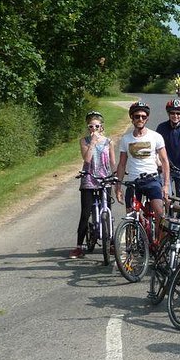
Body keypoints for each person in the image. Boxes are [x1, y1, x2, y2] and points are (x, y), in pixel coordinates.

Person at [115, 102, 171, 237]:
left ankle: (159, 245)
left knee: (160, 213)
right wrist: (118, 187)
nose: (140, 119)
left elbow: (164, 161)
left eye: (143, 116)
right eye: (137, 116)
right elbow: (122, 164)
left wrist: (166, 185)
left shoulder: (155, 136)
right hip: (133, 182)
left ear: (147, 118)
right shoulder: (126, 139)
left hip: (152, 180)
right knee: (131, 214)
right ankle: (132, 246)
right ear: (132, 118)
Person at [69, 111, 116, 259]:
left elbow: (112, 162)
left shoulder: (109, 142)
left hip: (104, 179)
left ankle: (111, 243)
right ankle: (79, 247)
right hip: (89, 178)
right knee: (85, 213)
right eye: (91, 126)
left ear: (101, 127)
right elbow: (87, 159)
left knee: (107, 211)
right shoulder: (84, 141)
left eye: (96, 126)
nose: (93, 129)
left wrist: (115, 176)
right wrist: (93, 142)